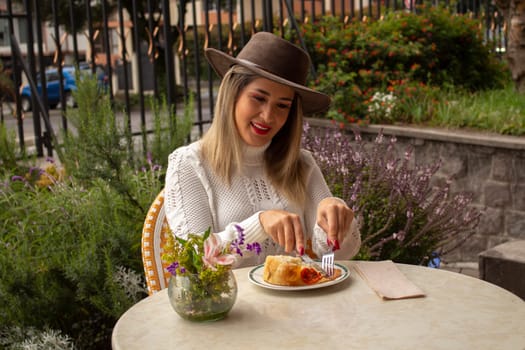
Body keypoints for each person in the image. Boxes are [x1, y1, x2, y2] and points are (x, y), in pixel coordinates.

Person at [164, 31, 361, 268]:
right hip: (230, 305)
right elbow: (194, 261)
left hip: (300, 301)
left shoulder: (302, 163)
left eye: (282, 105)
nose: (268, 116)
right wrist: (258, 225)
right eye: (258, 98)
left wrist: (337, 221)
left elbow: (334, 259)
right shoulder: (189, 164)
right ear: (232, 95)